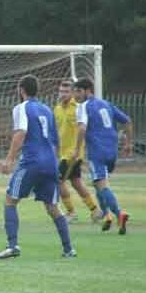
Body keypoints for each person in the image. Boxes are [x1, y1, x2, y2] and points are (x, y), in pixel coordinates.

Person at [0, 75, 75, 259]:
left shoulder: (21, 108)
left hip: (32, 161)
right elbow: (56, 141)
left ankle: (12, 246)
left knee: (10, 200)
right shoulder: (47, 109)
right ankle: (69, 249)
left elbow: (20, 133)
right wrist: (56, 166)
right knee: (52, 206)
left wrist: (9, 160)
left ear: (21, 90)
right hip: (51, 162)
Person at [71, 78, 133, 234]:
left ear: (87, 91)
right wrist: (128, 143)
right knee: (97, 183)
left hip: (97, 152)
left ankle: (119, 214)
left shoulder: (83, 107)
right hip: (112, 151)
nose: (75, 95)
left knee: (102, 185)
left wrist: (77, 150)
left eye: (78, 91)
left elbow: (82, 128)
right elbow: (127, 121)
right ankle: (107, 216)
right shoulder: (106, 104)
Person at [53, 80, 101, 223]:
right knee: (76, 182)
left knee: (58, 181)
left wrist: (78, 149)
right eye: (61, 91)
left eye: (66, 91)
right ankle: (95, 210)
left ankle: (71, 213)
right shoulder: (57, 109)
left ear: (73, 93)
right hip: (63, 153)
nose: (63, 94)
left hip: (73, 153)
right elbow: (57, 131)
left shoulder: (79, 108)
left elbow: (83, 129)